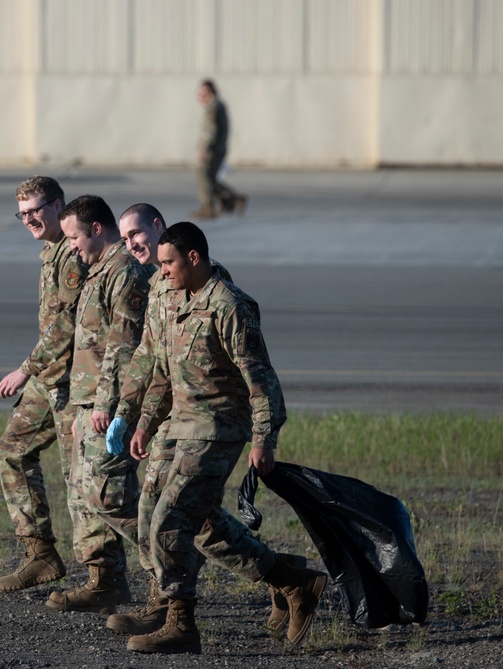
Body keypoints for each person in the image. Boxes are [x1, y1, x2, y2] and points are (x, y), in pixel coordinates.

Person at [122, 222, 326, 655]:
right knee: (170, 515)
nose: (161, 272)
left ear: (194, 258)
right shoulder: (171, 294)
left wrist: (264, 439)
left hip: (218, 428)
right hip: (177, 424)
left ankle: (181, 622)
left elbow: (261, 379)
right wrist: (142, 422)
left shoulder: (229, 305)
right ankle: (289, 579)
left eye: (169, 263)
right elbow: (161, 367)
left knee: (172, 519)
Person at [45, 195, 151, 615]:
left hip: (108, 404)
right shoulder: (98, 271)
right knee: (83, 497)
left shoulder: (123, 271)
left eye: (73, 237)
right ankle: (103, 580)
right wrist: (79, 408)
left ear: (96, 230)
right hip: (88, 402)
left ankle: (169, 570)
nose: (70, 245)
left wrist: (106, 405)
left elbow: (121, 346)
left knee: (109, 496)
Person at [0, 176, 85, 594]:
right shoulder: (50, 250)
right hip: (48, 378)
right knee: (12, 450)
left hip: (72, 382)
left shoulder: (73, 251)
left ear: (58, 205)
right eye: (23, 213)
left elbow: (66, 324)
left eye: (36, 210)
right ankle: (40, 553)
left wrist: (24, 369)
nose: (29, 219)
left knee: (82, 481)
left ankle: (109, 577)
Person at [192, 79, 247, 220]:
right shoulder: (217, 105)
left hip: (213, 149)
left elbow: (211, 130)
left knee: (203, 176)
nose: (199, 96)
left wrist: (204, 148)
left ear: (209, 92)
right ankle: (232, 200)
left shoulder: (213, 107)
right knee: (211, 179)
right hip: (218, 148)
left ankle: (209, 207)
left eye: (202, 92)